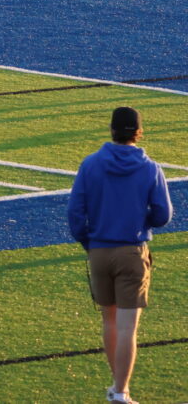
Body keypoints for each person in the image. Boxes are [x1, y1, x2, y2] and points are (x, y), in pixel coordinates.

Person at [67, 107, 173, 404]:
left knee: (110, 321)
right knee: (128, 327)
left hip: (99, 250)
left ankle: (117, 386)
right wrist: (139, 220)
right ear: (138, 132)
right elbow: (163, 215)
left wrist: (89, 241)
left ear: (111, 129)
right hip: (132, 251)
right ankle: (121, 391)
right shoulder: (150, 168)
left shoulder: (90, 164)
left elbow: (75, 213)